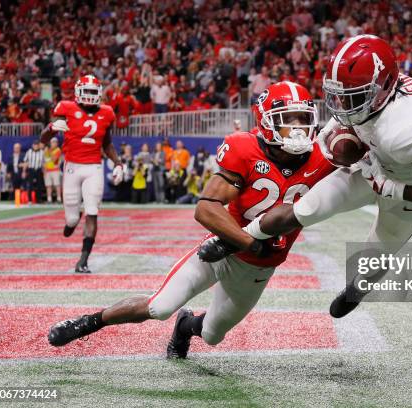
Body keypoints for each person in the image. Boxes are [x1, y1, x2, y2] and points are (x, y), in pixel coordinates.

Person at [47, 82, 333, 360]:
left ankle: (185, 326)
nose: (298, 129)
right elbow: (206, 209)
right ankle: (88, 322)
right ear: (267, 122)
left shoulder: (325, 156)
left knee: (212, 335)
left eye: (303, 119)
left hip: (258, 270)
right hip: (222, 248)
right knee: (159, 306)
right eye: (288, 120)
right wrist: (250, 243)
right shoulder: (246, 148)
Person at [199, 35, 412, 319]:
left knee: (378, 254)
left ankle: (358, 290)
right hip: (372, 168)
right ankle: (233, 240)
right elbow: (356, 121)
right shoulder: (378, 93)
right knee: (306, 208)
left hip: (410, 186)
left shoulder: (406, 129)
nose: (342, 104)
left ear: (382, 90)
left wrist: (391, 188)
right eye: (342, 94)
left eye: (354, 96)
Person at [40, 75, 124, 274]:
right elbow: (43, 139)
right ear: (77, 92)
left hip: (94, 167)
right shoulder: (66, 108)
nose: (89, 96)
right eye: (85, 91)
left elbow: (107, 143)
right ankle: (73, 218)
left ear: (99, 94)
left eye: (93, 92)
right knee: (70, 220)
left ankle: (83, 260)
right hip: (71, 167)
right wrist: (51, 128)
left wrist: (118, 163)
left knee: (92, 211)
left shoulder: (106, 112)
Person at [43, 137, 63, 203]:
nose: (54, 144)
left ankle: (59, 199)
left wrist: (48, 151)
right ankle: (49, 199)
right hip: (48, 171)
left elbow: (54, 160)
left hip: (55, 170)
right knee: (48, 185)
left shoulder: (58, 150)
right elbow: (45, 161)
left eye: (55, 142)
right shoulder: (46, 150)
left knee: (57, 185)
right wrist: (44, 171)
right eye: (52, 142)